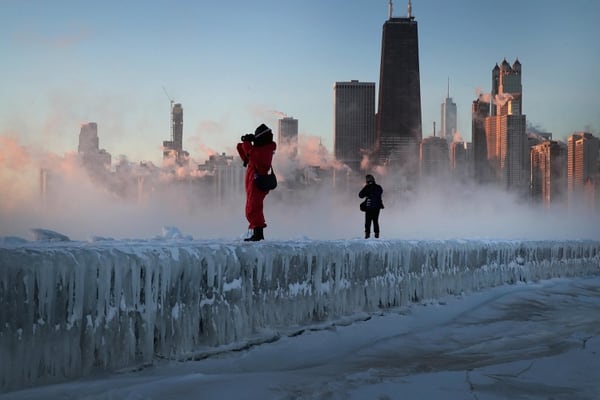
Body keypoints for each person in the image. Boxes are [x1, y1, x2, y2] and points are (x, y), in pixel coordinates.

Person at [237, 123, 277, 241]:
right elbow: (241, 149)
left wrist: (248, 143)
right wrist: (247, 140)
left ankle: (258, 234)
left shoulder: (265, 151)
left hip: (258, 183)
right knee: (252, 207)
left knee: (253, 208)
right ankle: (257, 233)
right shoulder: (261, 149)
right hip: (252, 182)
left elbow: (252, 154)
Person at [359, 174, 384, 238]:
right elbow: (380, 192)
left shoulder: (367, 187)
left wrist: (366, 188)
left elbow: (360, 195)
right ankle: (377, 235)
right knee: (375, 221)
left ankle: (367, 236)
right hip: (377, 208)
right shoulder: (378, 187)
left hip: (369, 207)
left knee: (368, 222)